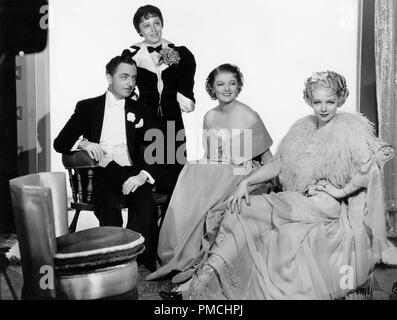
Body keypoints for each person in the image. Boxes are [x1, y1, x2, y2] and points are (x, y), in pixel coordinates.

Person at [181, 71, 395, 299]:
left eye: (330, 102)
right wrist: (247, 181)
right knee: (241, 208)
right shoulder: (303, 128)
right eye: (318, 102)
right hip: (301, 199)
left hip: (325, 204)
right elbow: (278, 163)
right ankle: (205, 279)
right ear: (310, 101)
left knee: (251, 211)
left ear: (339, 100)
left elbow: (369, 171)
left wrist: (339, 190)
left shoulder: (350, 128)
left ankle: (199, 284)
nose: (323, 108)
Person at [146, 64, 275, 290]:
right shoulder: (210, 116)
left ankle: (202, 266)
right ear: (212, 89)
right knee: (189, 177)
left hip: (245, 174)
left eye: (232, 83)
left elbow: (267, 158)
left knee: (212, 186)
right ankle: (182, 255)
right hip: (221, 173)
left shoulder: (249, 115)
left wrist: (274, 181)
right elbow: (212, 157)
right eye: (220, 84)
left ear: (239, 86)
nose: (226, 89)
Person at [53, 55, 158, 272]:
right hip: (101, 171)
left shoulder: (142, 110)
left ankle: (135, 258)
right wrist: (84, 142)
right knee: (107, 198)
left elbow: (154, 149)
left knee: (144, 198)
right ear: (109, 78)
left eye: (133, 78)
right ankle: (112, 255)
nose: (130, 83)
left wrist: (141, 176)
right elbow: (60, 143)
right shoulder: (88, 107)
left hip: (133, 172)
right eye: (124, 77)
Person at [122, 4, 196, 195]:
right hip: (146, 121)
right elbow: (124, 84)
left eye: (157, 23)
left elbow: (187, 76)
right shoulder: (131, 55)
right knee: (149, 168)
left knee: (175, 170)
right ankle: (150, 223)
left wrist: (185, 94)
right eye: (147, 25)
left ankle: (173, 221)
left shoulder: (178, 51)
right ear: (139, 30)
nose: (153, 29)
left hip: (172, 120)